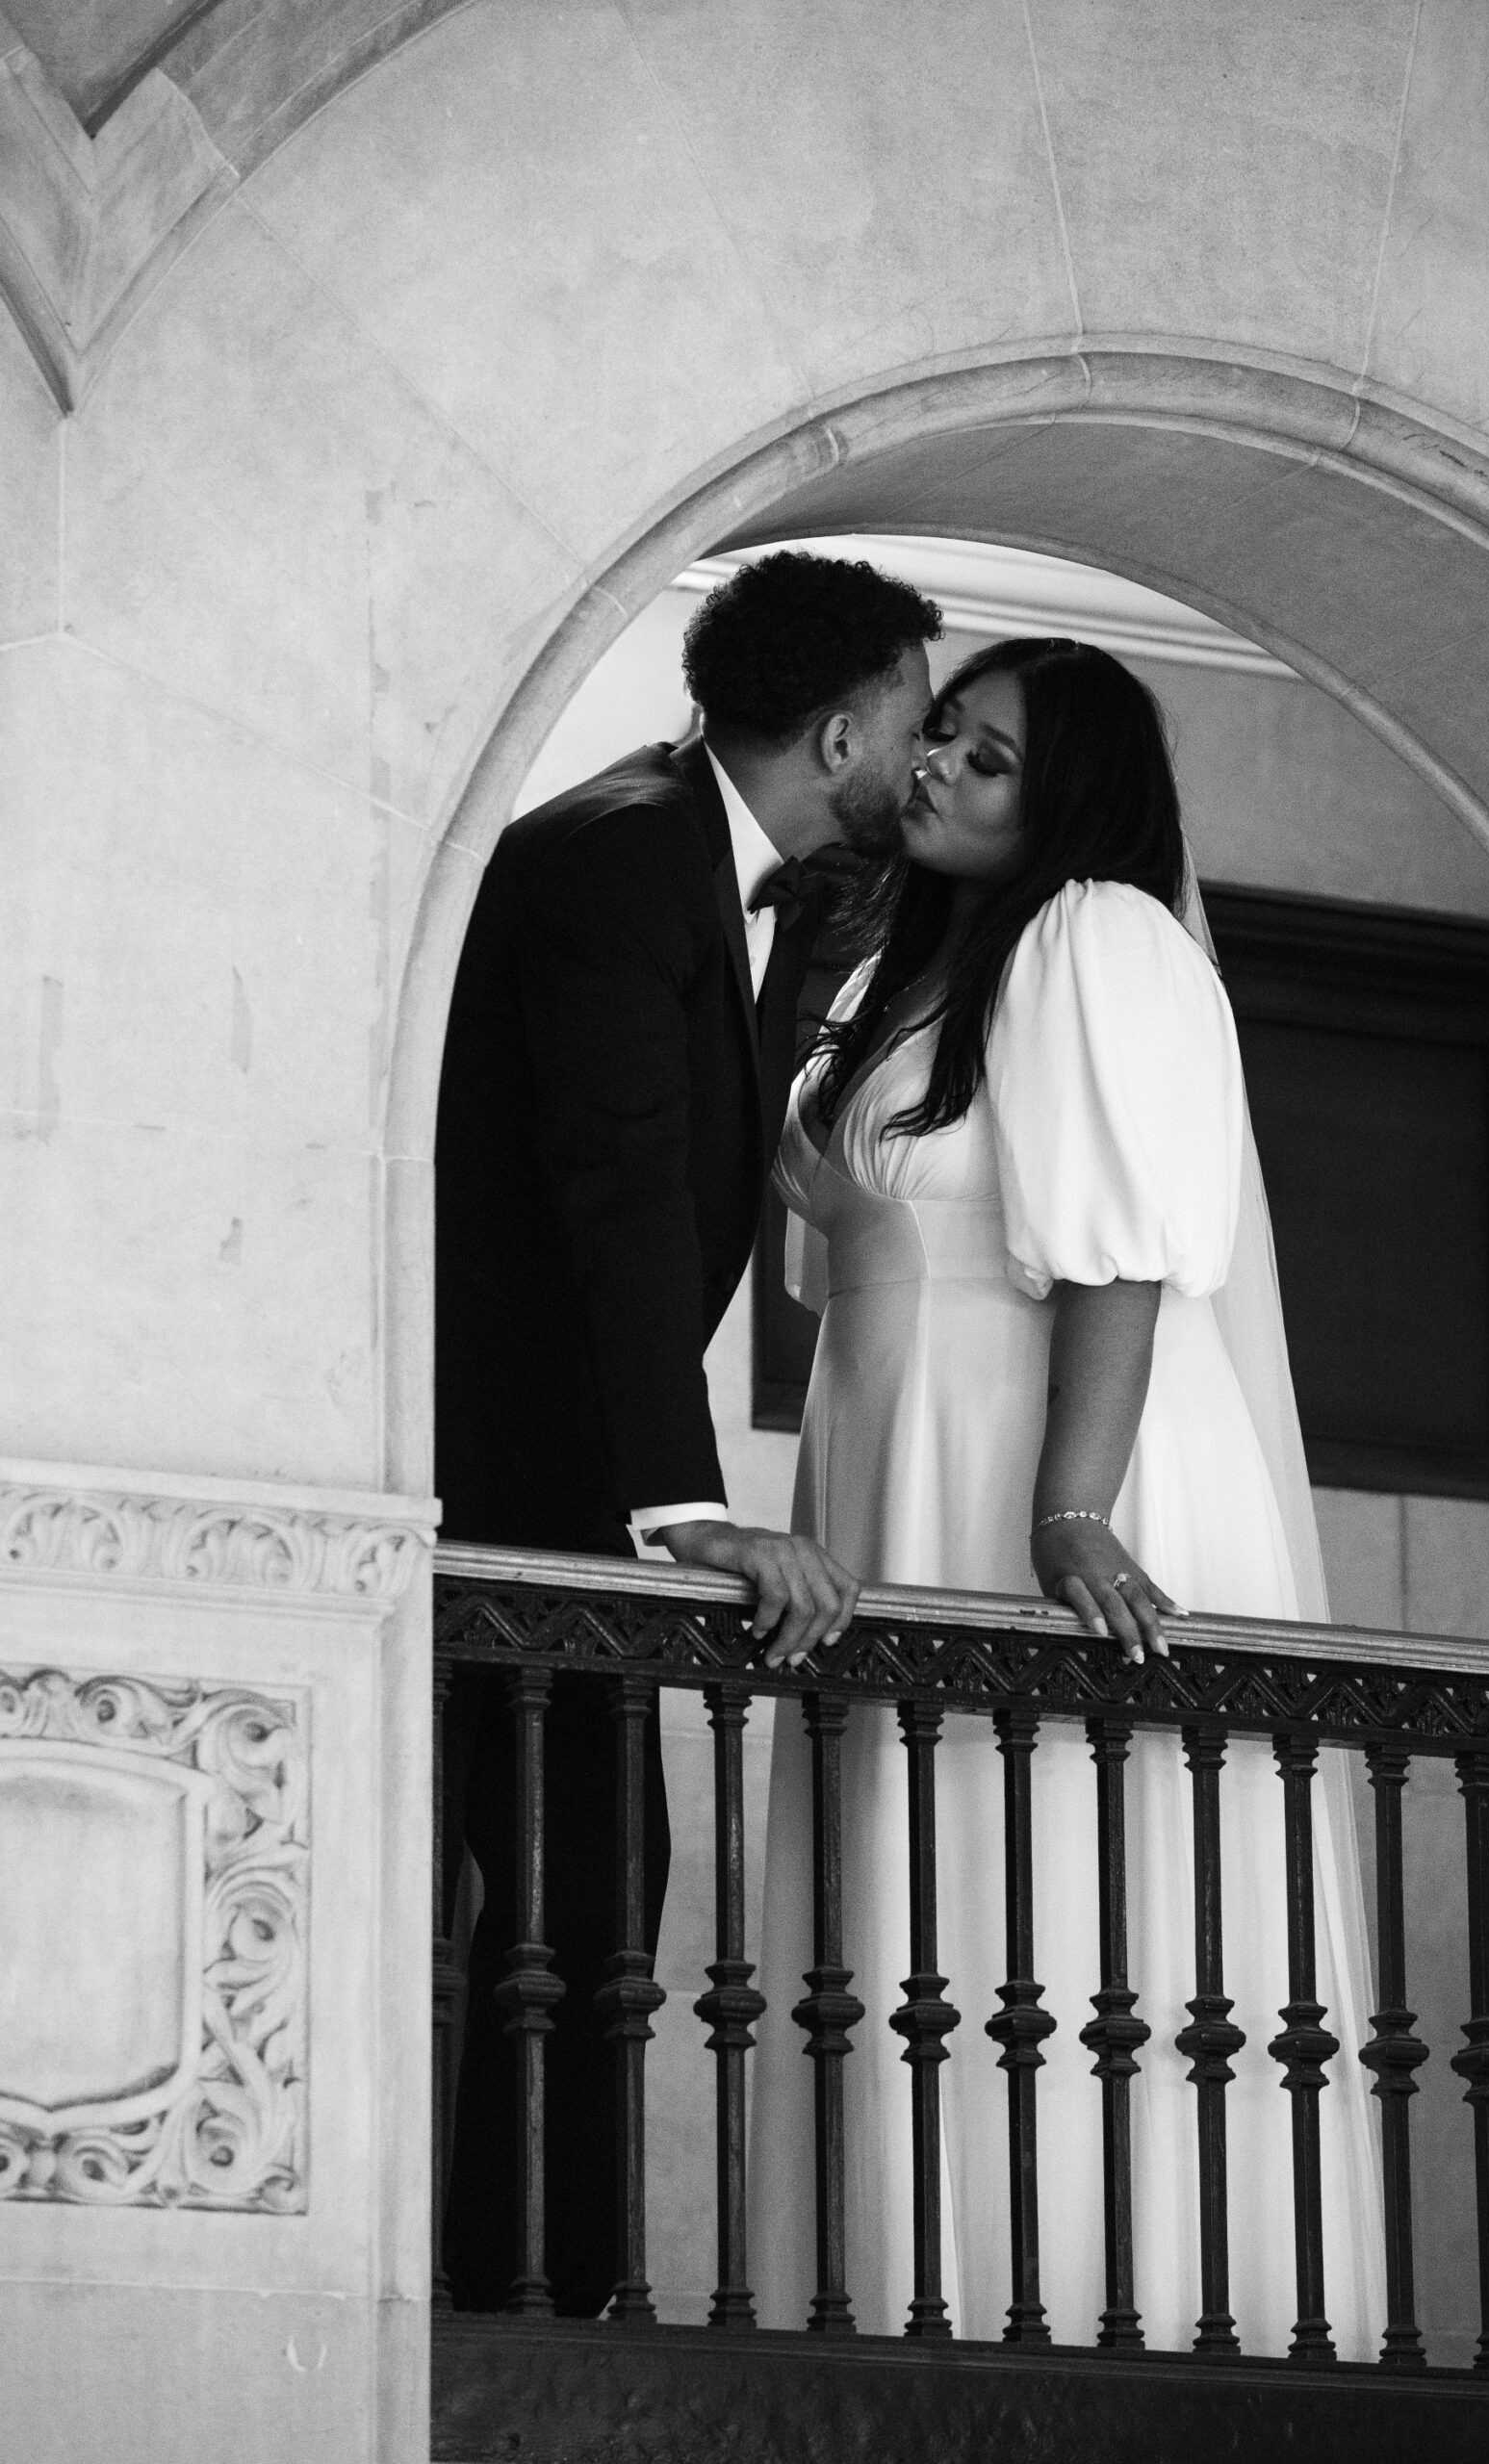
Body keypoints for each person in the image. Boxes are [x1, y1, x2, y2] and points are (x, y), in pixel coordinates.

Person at [748, 636, 1382, 2353]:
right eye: (942, 735)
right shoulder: (906, 976)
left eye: (993, 758)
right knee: (914, 1908)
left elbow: (1125, 1257)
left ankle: (1127, 2328)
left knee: (1051, 1891)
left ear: (1075, 801)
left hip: (1046, 1464)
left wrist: (1070, 1509)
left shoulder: (1097, 935)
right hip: (896, 1457)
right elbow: (831, 1250)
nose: (941, 766)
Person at [435, 550, 941, 2312]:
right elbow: (615, 1189)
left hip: (552, 1476)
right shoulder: (626, 855)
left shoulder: (692, 857)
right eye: (912, 721)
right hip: (512, 1484)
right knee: (570, 1905)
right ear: (842, 732)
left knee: (587, 1900)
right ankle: (524, 2314)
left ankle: (533, 2292)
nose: (921, 757)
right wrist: (680, 1505)